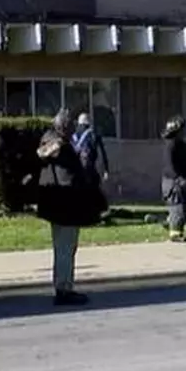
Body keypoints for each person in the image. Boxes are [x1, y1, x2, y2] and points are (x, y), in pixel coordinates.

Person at [35, 109, 105, 306]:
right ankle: (64, 289)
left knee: (66, 248)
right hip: (64, 207)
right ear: (63, 127)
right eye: (71, 126)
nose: (74, 129)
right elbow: (44, 153)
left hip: (62, 207)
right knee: (65, 248)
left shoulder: (58, 142)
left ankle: (64, 286)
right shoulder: (56, 142)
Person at [161, 115, 186, 242]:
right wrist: (179, 179)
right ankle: (175, 234)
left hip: (183, 179)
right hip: (173, 182)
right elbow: (170, 166)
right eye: (182, 129)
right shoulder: (170, 145)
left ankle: (170, 222)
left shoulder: (181, 144)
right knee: (178, 207)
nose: (184, 132)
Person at [72, 112, 110, 189]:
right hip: (89, 171)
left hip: (74, 171)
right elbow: (103, 154)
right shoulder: (93, 134)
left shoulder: (72, 135)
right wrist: (106, 169)